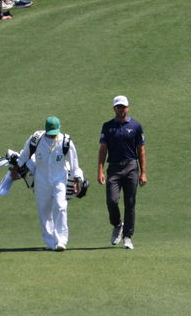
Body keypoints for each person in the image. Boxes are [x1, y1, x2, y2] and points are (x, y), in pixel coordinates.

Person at [12, 115, 83, 251]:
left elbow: (74, 163)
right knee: (44, 210)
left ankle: (61, 241)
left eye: (54, 134)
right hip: (41, 179)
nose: (52, 136)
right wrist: (15, 171)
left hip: (60, 179)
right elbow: (24, 155)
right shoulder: (36, 140)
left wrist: (76, 180)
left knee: (60, 206)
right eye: (50, 134)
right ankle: (50, 243)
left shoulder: (65, 141)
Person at [97, 94, 147, 250]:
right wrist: (100, 170)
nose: (121, 109)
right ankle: (117, 224)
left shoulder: (136, 126)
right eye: (118, 107)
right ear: (114, 109)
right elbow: (103, 150)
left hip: (131, 167)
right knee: (112, 200)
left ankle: (127, 237)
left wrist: (143, 172)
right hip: (114, 168)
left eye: (124, 106)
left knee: (130, 203)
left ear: (128, 107)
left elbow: (141, 151)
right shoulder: (107, 126)